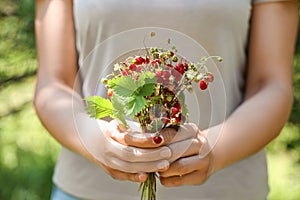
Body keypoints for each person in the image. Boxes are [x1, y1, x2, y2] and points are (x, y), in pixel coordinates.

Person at [34, 0, 298, 199]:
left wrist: (214, 151)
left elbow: (272, 85)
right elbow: (53, 84)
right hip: (86, 191)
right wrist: (93, 139)